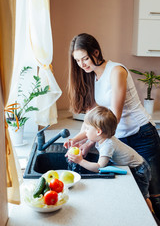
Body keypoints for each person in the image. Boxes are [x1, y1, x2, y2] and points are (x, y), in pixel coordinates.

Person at [64, 33, 160, 219]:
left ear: (96, 52)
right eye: (77, 61)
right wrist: (76, 140)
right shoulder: (92, 77)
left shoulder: (116, 71)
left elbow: (112, 117)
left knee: (154, 194)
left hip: (142, 136)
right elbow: (93, 118)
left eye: (85, 58)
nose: (82, 64)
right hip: (118, 140)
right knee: (132, 194)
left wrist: (89, 143)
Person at [67, 106, 153, 212]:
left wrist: (80, 161)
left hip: (138, 170)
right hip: (133, 166)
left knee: (142, 197)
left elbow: (99, 167)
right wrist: (74, 140)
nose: (85, 131)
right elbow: (86, 135)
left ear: (98, 131)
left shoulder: (108, 145)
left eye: (88, 128)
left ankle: (151, 217)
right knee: (138, 196)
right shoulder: (102, 137)